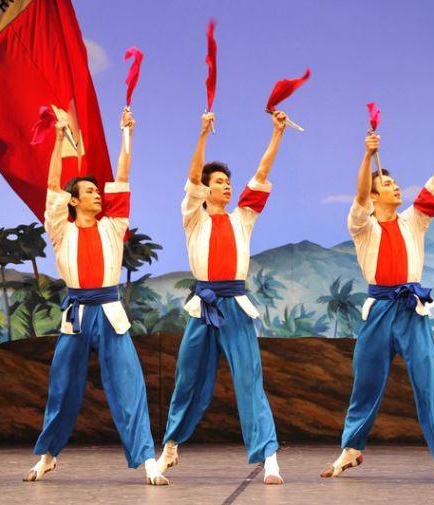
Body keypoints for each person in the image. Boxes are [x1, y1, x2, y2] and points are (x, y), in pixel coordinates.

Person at [321, 124, 434, 485]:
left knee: (429, 381)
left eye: (395, 183)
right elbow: (359, 195)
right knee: (366, 382)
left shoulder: (414, 220)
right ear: (373, 197)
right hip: (379, 310)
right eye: (387, 184)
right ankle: (351, 448)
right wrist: (367, 155)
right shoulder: (362, 226)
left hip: (411, 308)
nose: (395, 187)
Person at [24, 110, 168, 486]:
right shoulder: (61, 230)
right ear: (73, 201)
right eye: (89, 191)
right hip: (76, 315)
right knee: (62, 387)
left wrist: (126, 135)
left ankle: (147, 459)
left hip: (109, 311)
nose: (97, 194)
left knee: (129, 385)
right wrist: (59, 138)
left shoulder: (113, 226)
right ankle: (48, 455)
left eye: (97, 191)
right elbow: (52, 185)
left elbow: (123, 176)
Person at [157, 111, 288, 485]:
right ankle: (170, 446)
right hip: (204, 306)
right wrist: (202, 134)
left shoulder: (242, 218)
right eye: (219, 182)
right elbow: (192, 177)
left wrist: (277, 133)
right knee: (187, 380)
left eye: (229, 182)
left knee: (249, 381)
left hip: (236, 307)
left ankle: (269, 456)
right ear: (206, 189)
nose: (227, 187)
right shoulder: (193, 217)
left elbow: (261, 174)